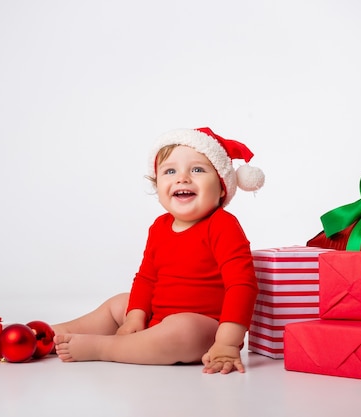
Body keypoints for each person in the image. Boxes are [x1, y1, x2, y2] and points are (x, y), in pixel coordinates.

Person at [52, 127, 265, 374]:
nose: (182, 178)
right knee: (119, 304)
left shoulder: (222, 225)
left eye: (197, 170)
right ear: (158, 184)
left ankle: (104, 348)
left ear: (221, 187)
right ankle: (56, 333)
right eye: (170, 171)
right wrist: (134, 317)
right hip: (157, 320)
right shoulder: (159, 227)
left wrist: (227, 342)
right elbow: (147, 278)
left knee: (182, 328)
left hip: (204, 330)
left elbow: (242, 285)